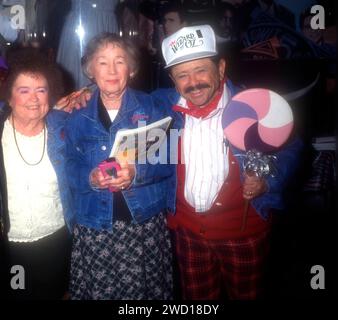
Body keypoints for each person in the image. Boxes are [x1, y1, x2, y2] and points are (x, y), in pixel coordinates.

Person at [151, 24, 302, 299]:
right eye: (182, 75)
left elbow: (292, 147)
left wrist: (267, 181)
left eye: (201, 70)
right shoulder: (161, 109)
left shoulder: (254, 104)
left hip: (244, 233)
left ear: (221, 68)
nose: (193, 82)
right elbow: (126, 105)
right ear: (173, 80)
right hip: (189, 234)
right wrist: (88, 95)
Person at [64, 32, 174, 300]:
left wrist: (137, 173)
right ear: (91, 71)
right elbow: (68, 164)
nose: (111, 70)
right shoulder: (77, 115)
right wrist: (90, 177)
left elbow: (169, 160)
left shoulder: (153, 107)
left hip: (143, 225)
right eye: (102, 62)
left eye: (120, 61)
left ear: (132, 68)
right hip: (95, 227)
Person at [0, 50, 74, 300]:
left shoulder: (63, 130)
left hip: (55, 240)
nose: (34, 99)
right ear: (9, 96)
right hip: (10, 245)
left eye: (41, 90)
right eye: (24, 90)